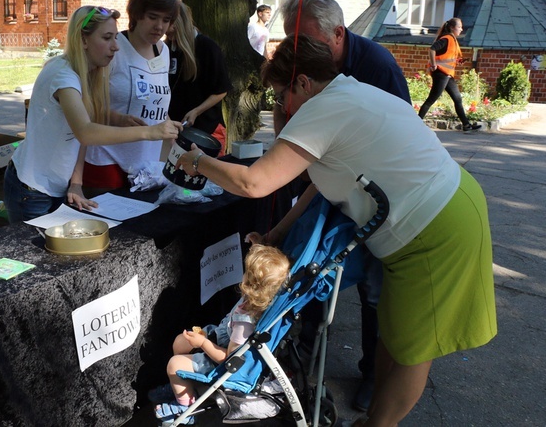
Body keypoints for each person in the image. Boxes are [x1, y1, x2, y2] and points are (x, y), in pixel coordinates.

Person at [177, 35, 497, 426]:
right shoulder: (347, 92)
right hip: (439, 212)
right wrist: (278, 231)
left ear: (302, 83)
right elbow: (319, 183)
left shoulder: (323, 109)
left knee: (413, 348)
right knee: (393, 337)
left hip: (435, 227)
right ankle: (372, 420)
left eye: (280, 96)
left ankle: (380, 423)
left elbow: (254, 183)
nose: (280, 107)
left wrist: (196, 161)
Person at [270, 0, 412, 411]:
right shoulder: (303, 65)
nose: (301, 49)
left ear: (337, 34)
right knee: (312, 266)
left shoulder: (377, 66)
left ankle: (373, 373)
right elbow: (288, 115)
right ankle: (304, 351)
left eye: (309, 42)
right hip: (327, 179)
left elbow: (399, 135)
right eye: (295, 41)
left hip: (377, 195)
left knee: (373, 287)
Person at [4, 6, 182, 222]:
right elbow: (86, 133)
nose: (116, 47)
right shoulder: (63, 77)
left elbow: (80, 136)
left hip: (55, 187)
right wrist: (150, 132)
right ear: (83, 40)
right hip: (30, 190)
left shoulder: (85, 75)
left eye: (116, 38)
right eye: (107, 38)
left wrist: (76, 184)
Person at [154, 244, 291, 424]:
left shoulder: (245, 323)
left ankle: (185, 409)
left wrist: (203, 343)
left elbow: (228, 359)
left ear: (251, 284)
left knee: (174, 364)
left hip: (228, 364)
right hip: (222, 338)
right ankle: (183, 385)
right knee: (180, 342)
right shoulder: (259, 299)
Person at [83, 0, 180, 193]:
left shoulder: (163, 51)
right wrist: (117, 118)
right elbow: (82, 105)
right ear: (136, 14)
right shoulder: (112, 46)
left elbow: (157, 100)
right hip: (106, 158)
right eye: (153, 17)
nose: (159, 27)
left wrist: (169, 128)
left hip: (147, 162)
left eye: (166, 20)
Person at [166, 2, 232, 152]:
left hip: (207, 129)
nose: (165, 34)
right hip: (177, 132)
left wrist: (196, 111)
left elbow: (221, 90)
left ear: (178, 24)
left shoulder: (207, 47)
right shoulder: (167, 48)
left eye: (167, 25)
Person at [418, 17, 482, 132]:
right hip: (441, 74)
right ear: (452, 28)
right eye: (459, 27)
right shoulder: (447, 38)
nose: (461, 29)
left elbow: (446, 57)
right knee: (431, 99)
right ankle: (416, 124)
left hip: (447, 74)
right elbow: (432, 49)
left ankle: (466, 125)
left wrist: (457, 61)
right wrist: (433, 65)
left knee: (457, 99)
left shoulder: (452, 40)